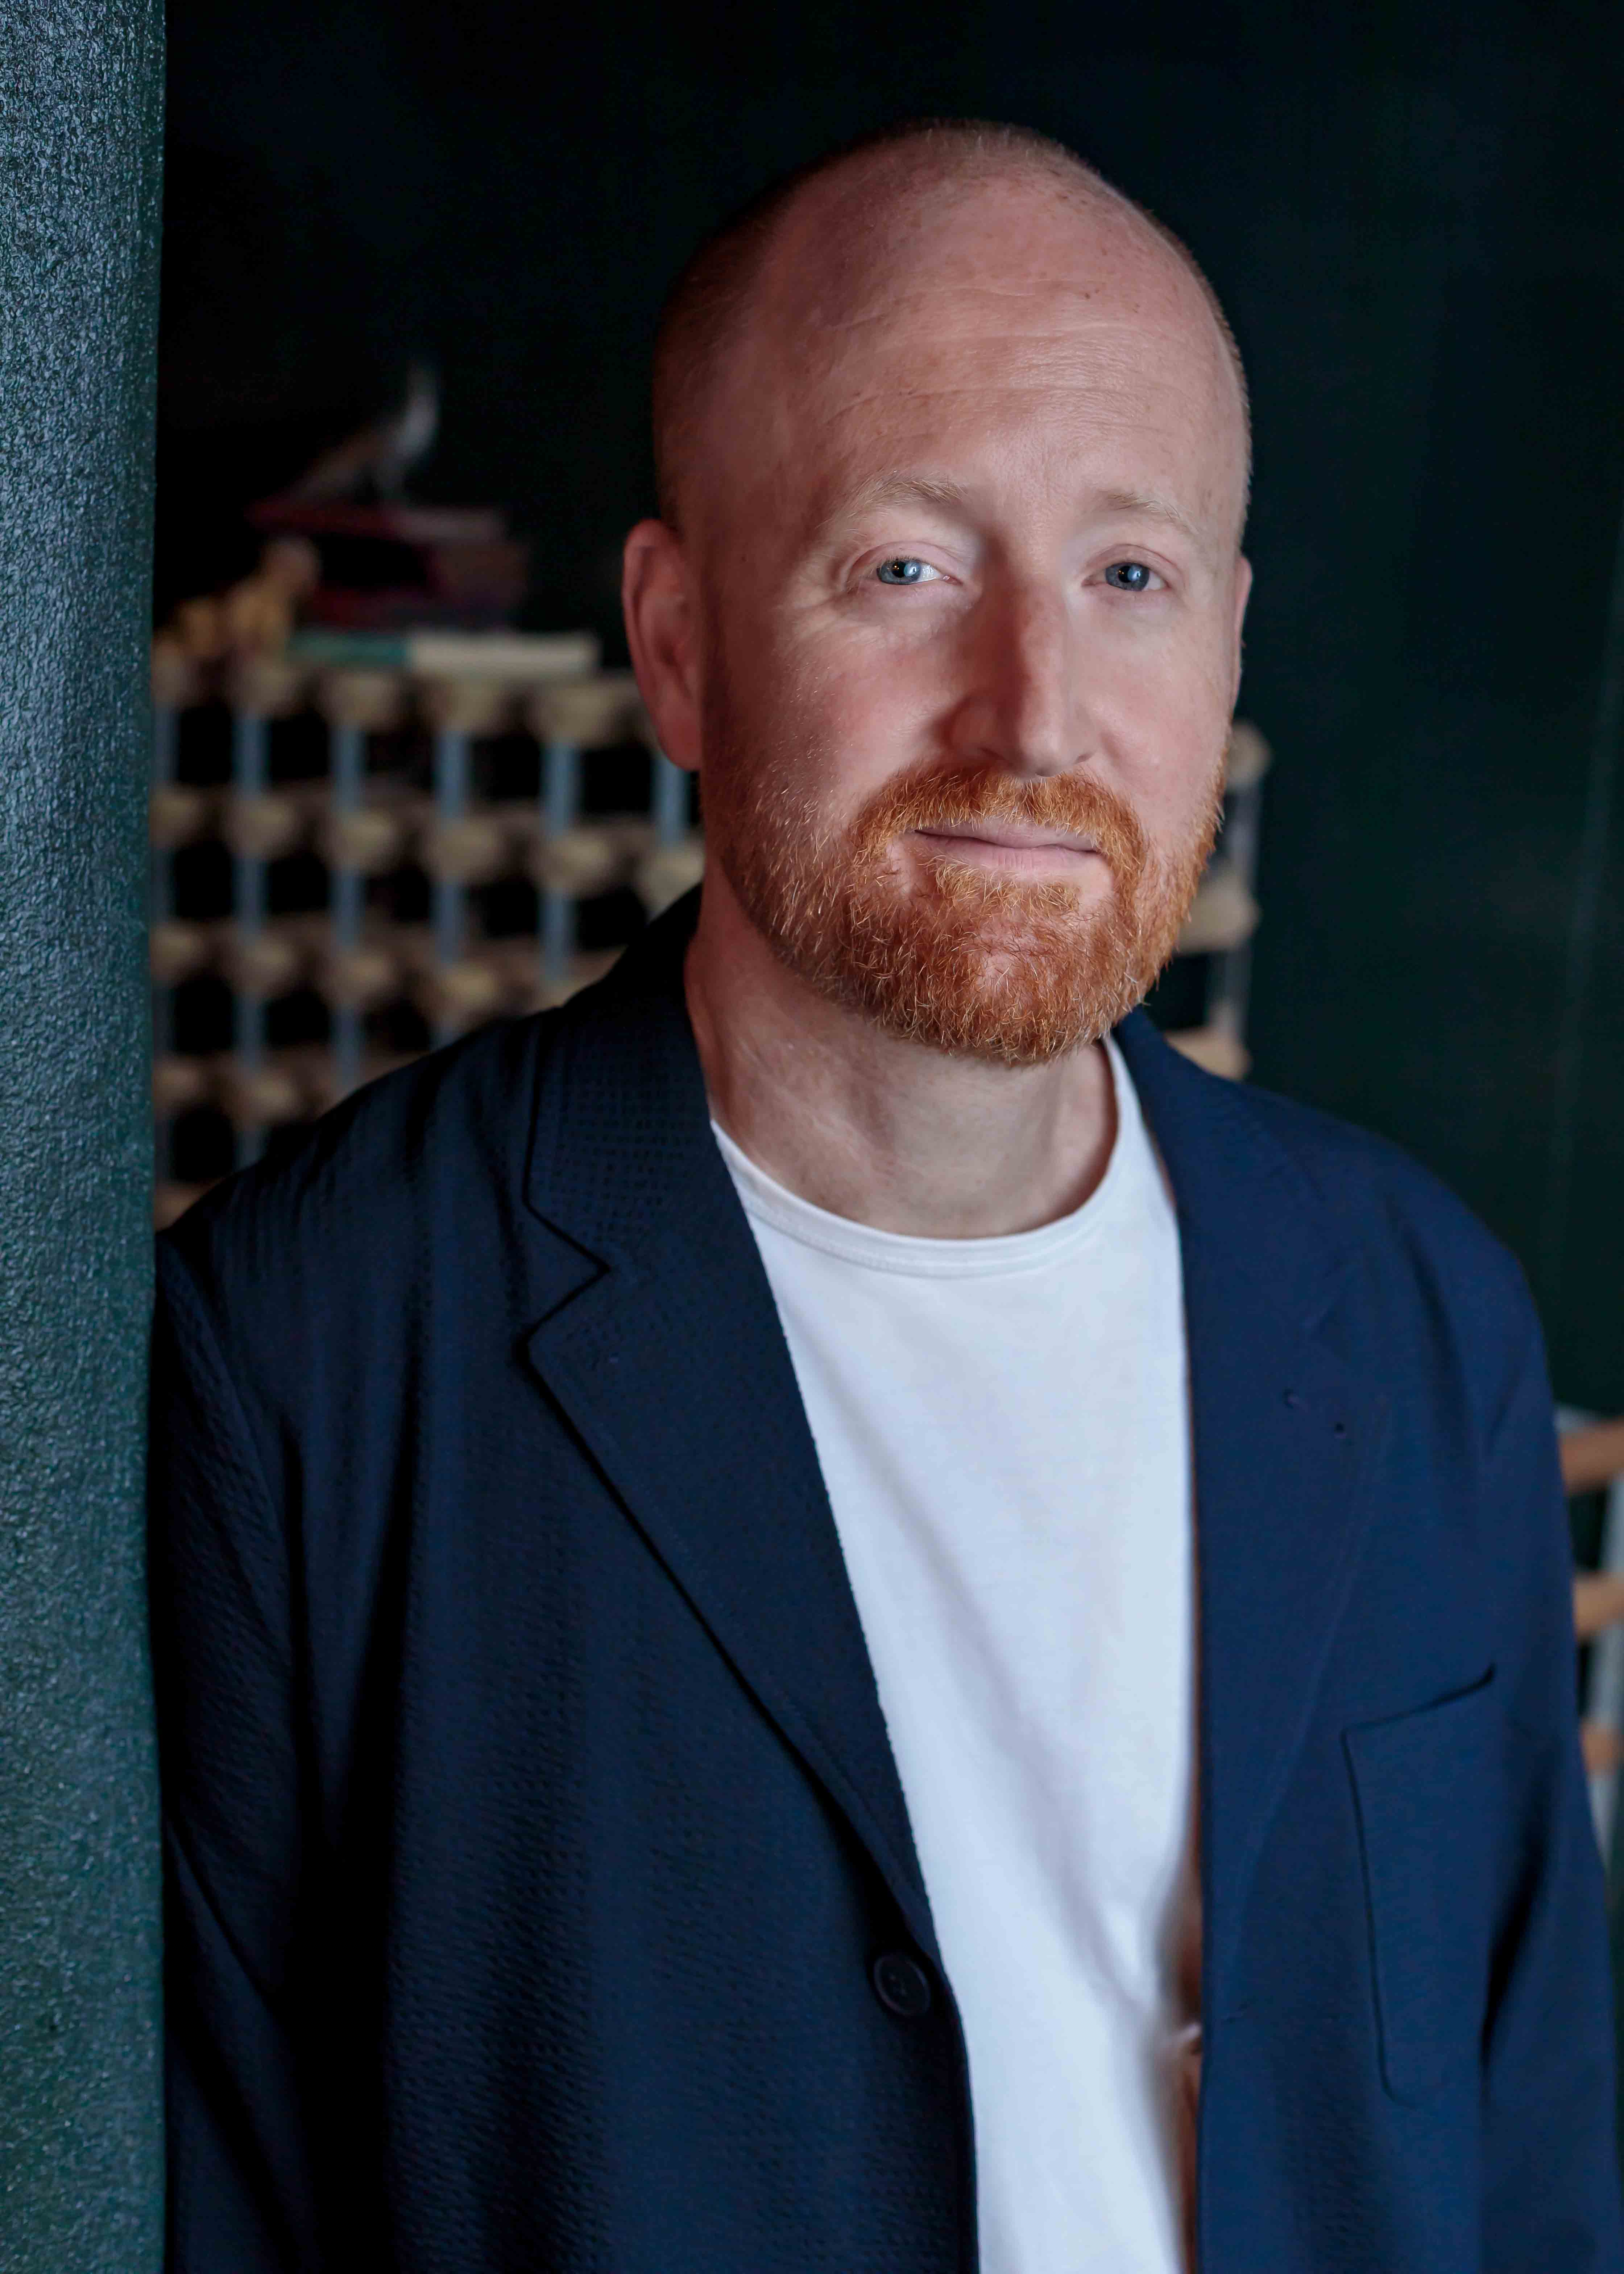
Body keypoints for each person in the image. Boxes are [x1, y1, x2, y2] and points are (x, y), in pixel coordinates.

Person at [150, 119, 1622, 2273]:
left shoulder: (1425, 1317)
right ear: (676, 645)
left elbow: (1540, 2164)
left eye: (1130, 578)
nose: (1035, 716)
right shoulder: (302, 1358)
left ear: (1229, 642)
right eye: (909, 568)